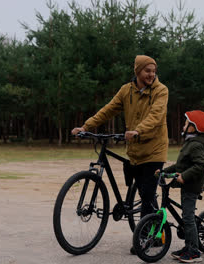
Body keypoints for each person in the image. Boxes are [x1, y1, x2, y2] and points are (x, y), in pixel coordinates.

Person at [71, 55, 168, 239]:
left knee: (147, 195)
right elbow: (108, 110)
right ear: (137, 71)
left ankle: (148, 239)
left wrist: (138, 130)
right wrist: (85, 127)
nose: (151, 75)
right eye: (147, 71)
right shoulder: (126, 90)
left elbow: (156, 115)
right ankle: (150, 225)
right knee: (144, 192)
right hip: (135, 150)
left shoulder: (161, 91)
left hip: (154, 149)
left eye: (154, 71)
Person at [158, 110, 204, 263]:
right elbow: (180, 165)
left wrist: (184, 176)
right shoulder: (191, 142)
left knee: (188, 218)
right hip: (187, 184)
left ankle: (194, 251)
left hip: (191, 185)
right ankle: (188, 246)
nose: (183, 126)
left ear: (193, 127)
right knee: (186, 216)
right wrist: (164, 171)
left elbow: (201, 165)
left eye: (186, 123)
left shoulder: (195, 145)